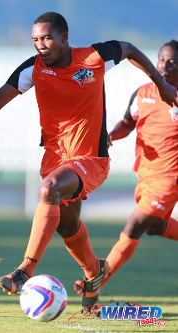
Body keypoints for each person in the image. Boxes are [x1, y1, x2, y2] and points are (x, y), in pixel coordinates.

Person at [0, 11, 177, 308]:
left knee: (48, 190)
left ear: (64, 37)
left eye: (46, 38)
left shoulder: (94, 57)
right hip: (56, 161)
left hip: (91, 159)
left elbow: (130, 49)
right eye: (35, 40)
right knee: (68, 227)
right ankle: (94, 274)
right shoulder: (32, 69)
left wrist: (161, 84)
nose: (40, 45)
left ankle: (25, 270)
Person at [99, 40, 178, 290]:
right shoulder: (143, 93)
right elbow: (127, 122)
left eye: (172, 62)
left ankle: (97, 281)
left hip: (169, 177)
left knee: (135, 224)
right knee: (154, 226)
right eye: (162, 59)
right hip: (145, 174)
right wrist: (111, 135)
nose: (165, 65)